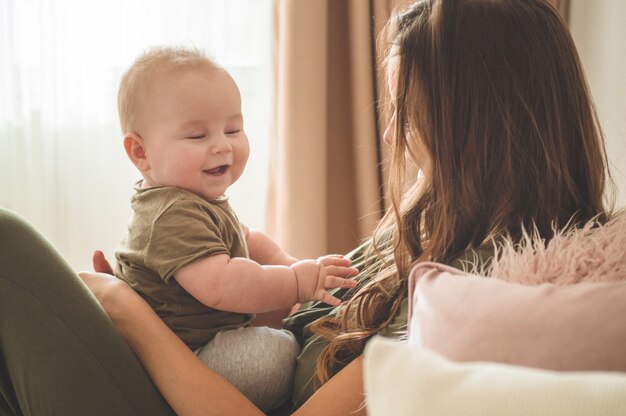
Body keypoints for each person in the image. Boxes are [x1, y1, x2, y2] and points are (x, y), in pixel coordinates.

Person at [0, 0, 613, 415]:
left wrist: (132, 315)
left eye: (405, 106)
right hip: (190, 363)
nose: (392, 127)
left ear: (473, 118)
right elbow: (296, 297)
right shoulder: (433, 217)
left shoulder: (471, 293)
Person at [112, 47, 358, 411]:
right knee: (281, 353)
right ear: (140, 152)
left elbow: (248, 239)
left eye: (233, 129)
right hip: (190, 358)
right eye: (197, 136)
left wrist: (295, 266)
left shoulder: (193, 199)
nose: (222, 145)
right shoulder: (171, 214)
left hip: (210, 341)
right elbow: (221, 285)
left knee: (283, 330)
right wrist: (295, 281)